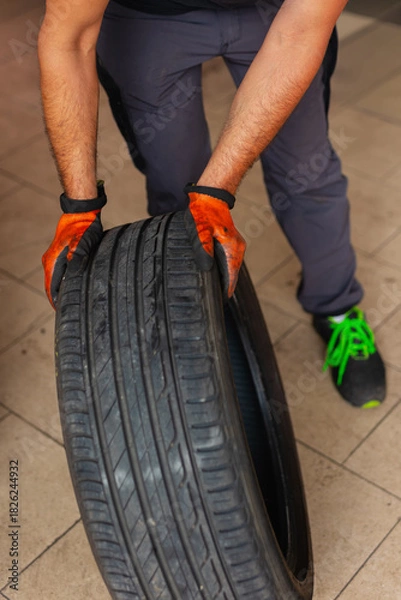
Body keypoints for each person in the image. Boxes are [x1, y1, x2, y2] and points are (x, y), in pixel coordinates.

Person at [38, 0, 386, 408]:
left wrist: (215, 193)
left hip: (276, 12)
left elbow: (300, 33)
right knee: (176, 198)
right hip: (146, 18)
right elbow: (70, 38)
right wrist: (79, 207)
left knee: (306, 174)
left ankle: (338, 309)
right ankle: (200, 321)